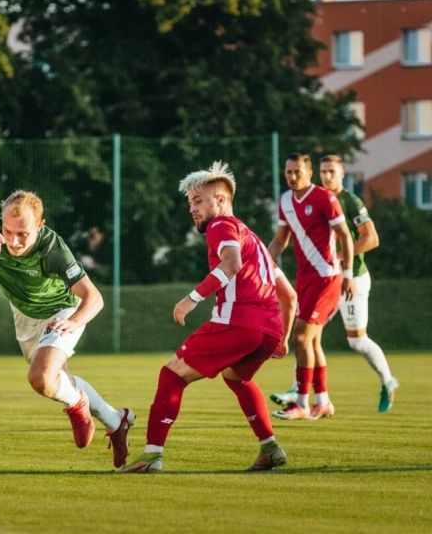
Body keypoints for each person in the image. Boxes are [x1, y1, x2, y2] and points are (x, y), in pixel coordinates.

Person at [0, 190, 134, 469]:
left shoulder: (52, 249)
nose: (13, 241)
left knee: (40, 377)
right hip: (24, 316)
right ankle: (115, 420)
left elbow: (94, 298)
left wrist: (73, 322)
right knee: (52, 383)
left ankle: (77, 408)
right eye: (8, 231)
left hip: (62, 312)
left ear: (40, 225)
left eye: (23, 233)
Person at [120, 161, 291, 473]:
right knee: (236, 377)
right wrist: (282, 338)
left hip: (238, 322)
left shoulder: (221, 226)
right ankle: (270, 447)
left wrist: (191, 298)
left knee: (171, 375)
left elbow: (231, 264)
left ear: (221, 200)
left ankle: (152, 456)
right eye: (190, 203)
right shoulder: (254, 239)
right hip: (268, 329)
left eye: (198, 201)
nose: (193, 209)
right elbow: (289, 296)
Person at [272, 156, 398, 412]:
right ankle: (315, 397)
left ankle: (388, 381)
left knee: (355, 341)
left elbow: (371, 238)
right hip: (323, 278)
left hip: (352, 278)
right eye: (323, 171)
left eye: (332, 172)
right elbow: (281, 239)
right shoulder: (302, 198)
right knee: (309, 337)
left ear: (342, 175)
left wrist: (342, 263)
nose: (327, 176)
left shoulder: (347, 200)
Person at [267, 153, 356, 420]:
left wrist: (348, 273)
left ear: (309, 173)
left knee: (301, 337)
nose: (292, 177)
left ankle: (302, 404)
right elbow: (280, 239)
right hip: (304, 279)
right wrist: (264, 264)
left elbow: (345, 237)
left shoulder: (324, 198)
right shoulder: (285, 201)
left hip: (328, 277)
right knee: (313, 342)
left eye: (297, 172)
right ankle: (324, 401)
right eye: (288, 172)